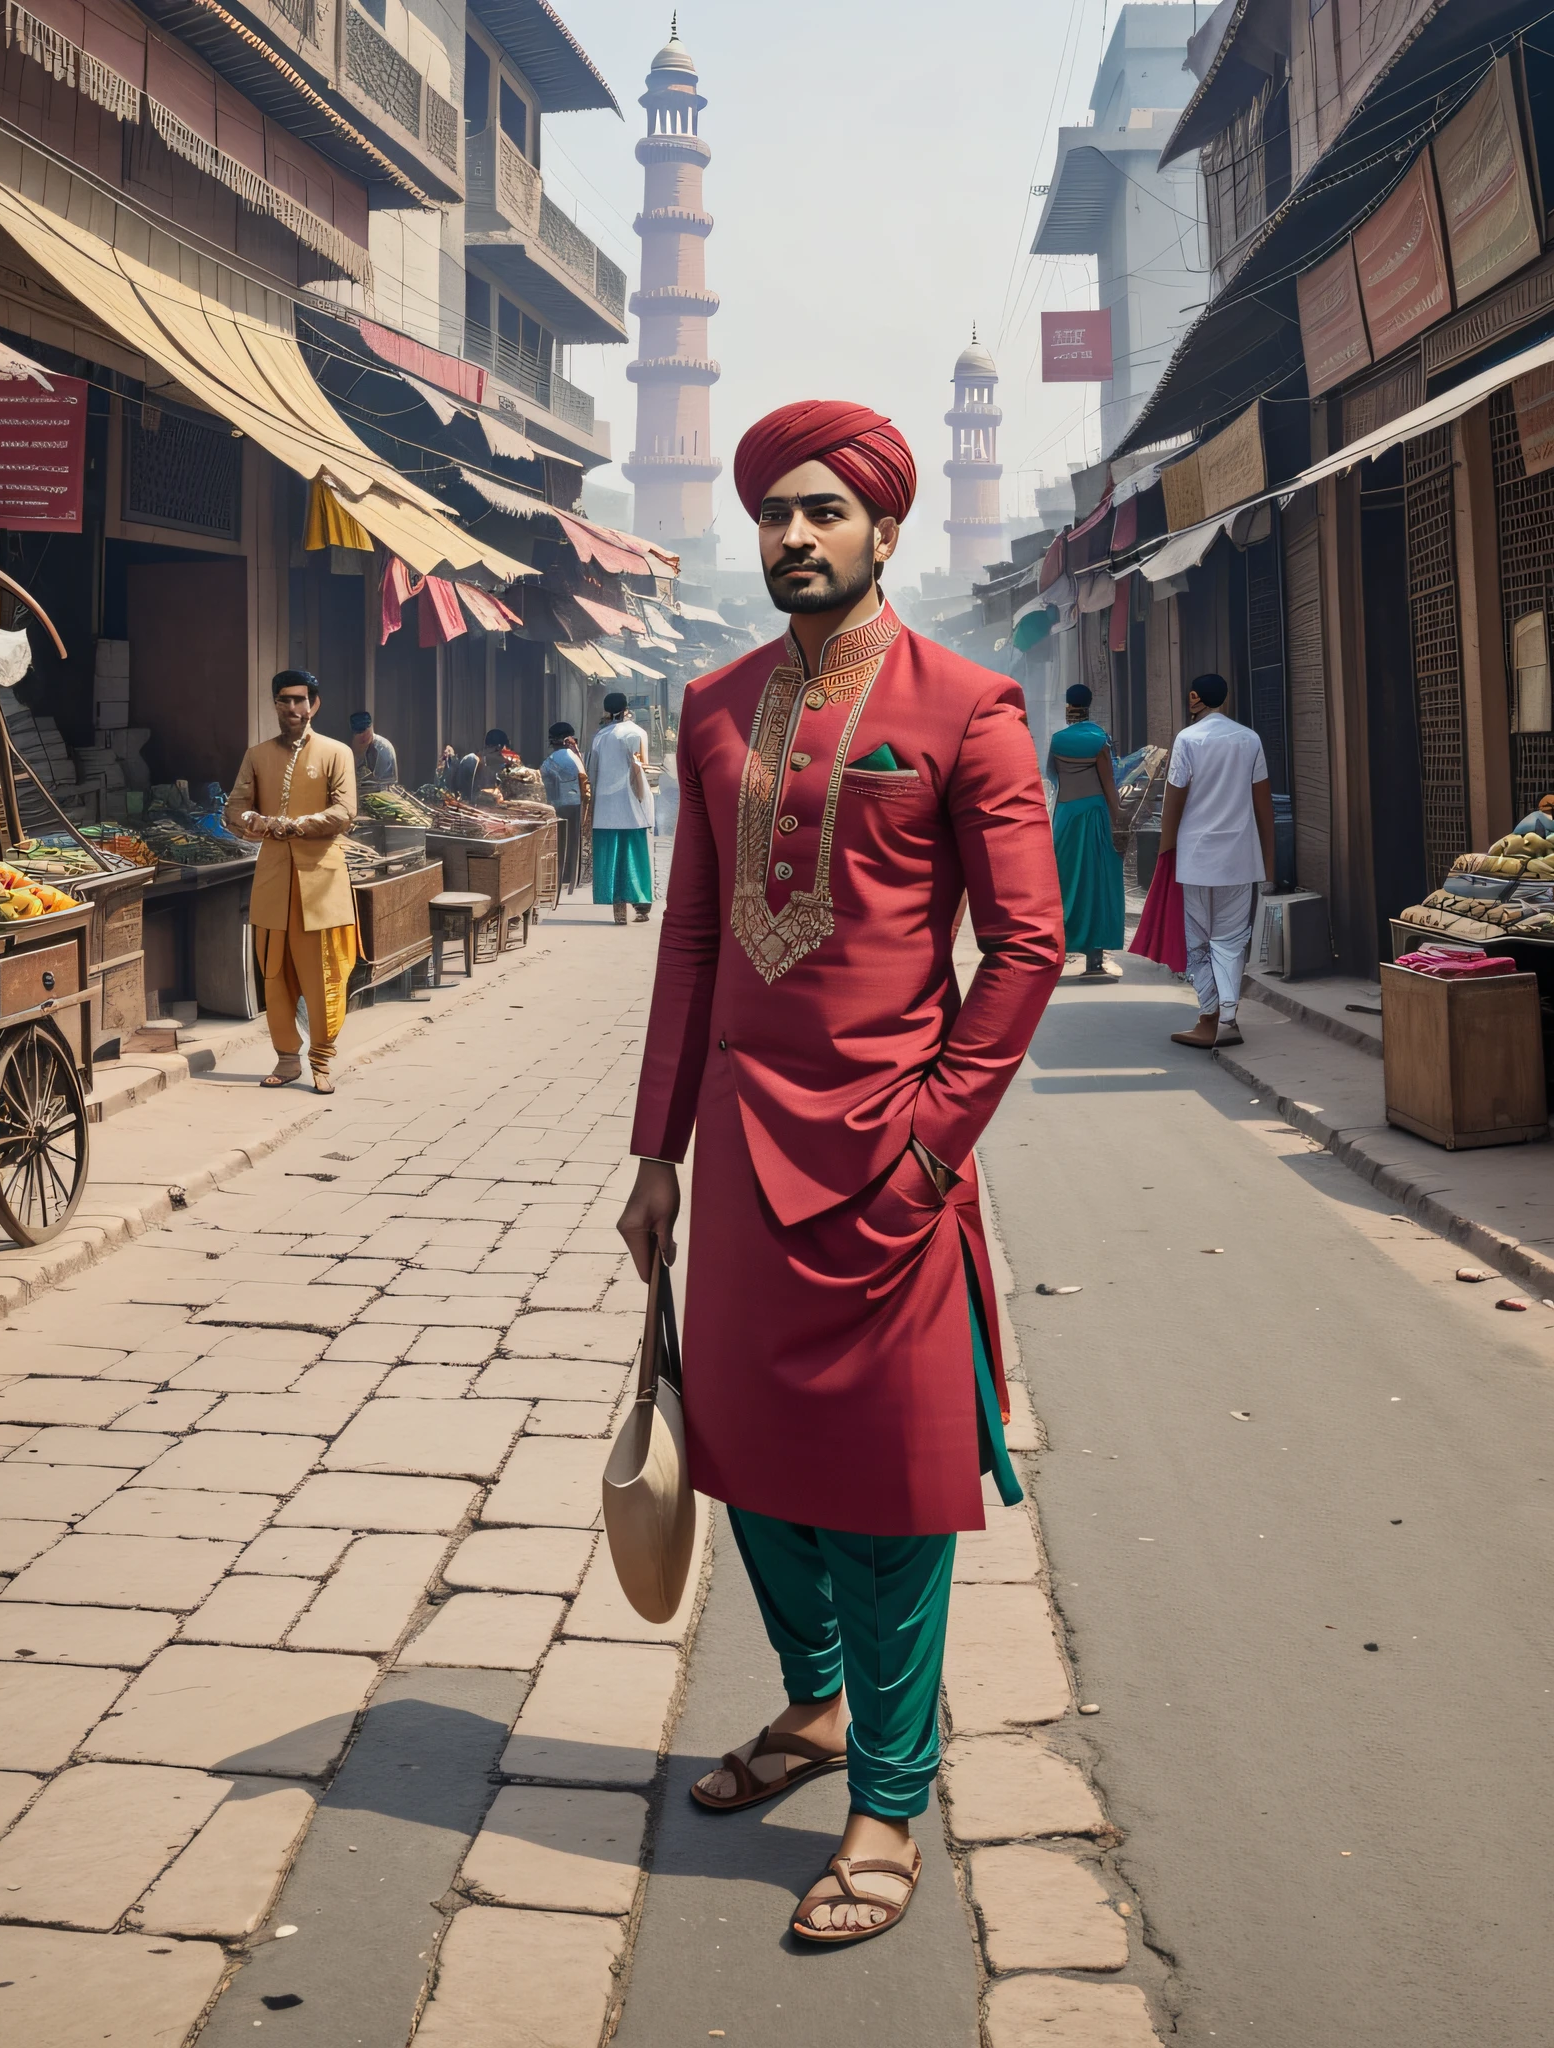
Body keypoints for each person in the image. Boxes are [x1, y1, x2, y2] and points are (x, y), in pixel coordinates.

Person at [616, 399, 1063, 1947]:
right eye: (774, 513)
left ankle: (887, 1797)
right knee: (747, 1464)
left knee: (886, 1492)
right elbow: (689, 935)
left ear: (885, 530)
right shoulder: (716, 705)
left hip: (892, 1156)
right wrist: (653, 1151)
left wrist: (936, 1141)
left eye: (823, 513)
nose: (793, 536)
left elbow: (1026, 947)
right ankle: (812, 1712)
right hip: (735, 1159)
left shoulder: (971, 708)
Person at [226, 671, 359, 1092]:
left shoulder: (336, 753)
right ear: (275, 705)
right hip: (272, 880)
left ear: (314, 704)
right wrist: (254, 821)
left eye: (300, 700)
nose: (292, 709)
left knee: (324, 973)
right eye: (284, 701)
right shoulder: (257, 755)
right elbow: (235, 808)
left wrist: (298, 825)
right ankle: (287, 1059)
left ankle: (321, 1059)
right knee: (274, 973)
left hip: (320, 881)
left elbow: (345, 812)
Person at [1160, 672, 1274, 1049]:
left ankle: (1208, 1018)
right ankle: (1228, 1019)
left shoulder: (1187, 739)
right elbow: (1263, 806)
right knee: (1231, 940)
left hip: (1195, 858)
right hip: (1240, 857)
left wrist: (1164, 851)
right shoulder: (1249, 739)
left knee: (1199, 940)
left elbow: (1173, 801)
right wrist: (1269, 865)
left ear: (1194, 698)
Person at [1047, 683, 1124, 979]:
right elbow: (1108, 784)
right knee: (1097, 883)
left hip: (1066, 816)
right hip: (1095, 817)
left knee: (1064, 883)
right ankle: (1094, 962)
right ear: (1089, 705)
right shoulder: (1099, 739)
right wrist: (1118, 816)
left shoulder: (1056, 740)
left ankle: (1057, 953)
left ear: (1068, 706)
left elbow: (1052, 777)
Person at [589, 691, 653, 923]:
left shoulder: (600, 737)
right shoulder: (637, 733)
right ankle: (642, 906)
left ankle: (618, 908)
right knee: (635, 855)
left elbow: (592, 774)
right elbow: (641, 768)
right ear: (627, 707)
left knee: (612, 858)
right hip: (633, 804)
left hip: (605, 808)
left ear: (607, 711)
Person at [541, 722, 586, 893]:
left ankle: (557, 878)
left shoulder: (551, 760)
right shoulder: (575, 756)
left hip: (556, 807)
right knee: (573, 842)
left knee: (557, 845)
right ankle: (570, 878)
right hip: (575, 806)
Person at [348, 711, 397, 790]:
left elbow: (378, 780)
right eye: (358, 732)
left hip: (384, 790)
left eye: (365, 731)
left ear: (371, 727)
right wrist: (357, 754)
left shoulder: (382, 748)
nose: (362, 736)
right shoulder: (355, 744)